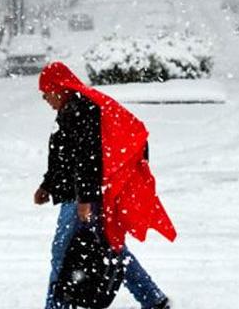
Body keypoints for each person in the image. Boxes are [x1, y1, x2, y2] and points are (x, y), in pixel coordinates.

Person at [35, 61, 176, 309]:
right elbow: (62, 157)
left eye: (47, 91)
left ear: (59, 87)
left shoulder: (81, 110)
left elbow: (88, 159)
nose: (45, 98)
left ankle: (56, 306)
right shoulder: (69, 110)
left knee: (63, 252)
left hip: (83, 198)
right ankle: (153, 298)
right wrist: (47, 185)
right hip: (83, 195)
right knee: (111, 248)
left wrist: (85, 199)